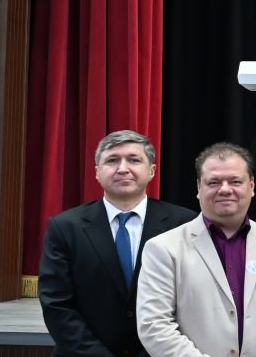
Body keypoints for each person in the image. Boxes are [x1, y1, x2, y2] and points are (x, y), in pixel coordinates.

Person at [137, 143, 256, 356]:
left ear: (251, 186)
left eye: (235, 181)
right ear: (199, 188)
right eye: (214, 182)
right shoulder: (163, 249)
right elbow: (155, 325)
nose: (225, 189)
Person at [40, 130, 194, 357]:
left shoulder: (184, 224)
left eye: (134, 160)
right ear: (97, 172)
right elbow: (57, 303)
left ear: (152, 171)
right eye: (112, 160)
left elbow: (192, 301)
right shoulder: (65, 227)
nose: (123, 168)